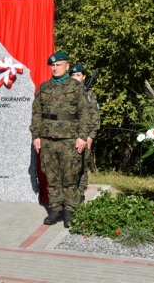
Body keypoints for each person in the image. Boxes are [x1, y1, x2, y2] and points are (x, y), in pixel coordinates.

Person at [30, 51, 91, 227]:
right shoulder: (44, 87)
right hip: (48, 139)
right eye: (53, 65)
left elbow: (85, 113)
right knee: (52, 175)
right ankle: (55, 209)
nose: (55, 68)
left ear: (66, 66)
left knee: (70, 175)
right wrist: (36, 135)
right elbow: (37, 113)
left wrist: (82, 136)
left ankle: (69, 210)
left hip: (69, 139)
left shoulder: (76, 87)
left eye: (59, 65)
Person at [70, 64, 101, 201]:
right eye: (73, 75)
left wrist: (91, 136)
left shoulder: (89, 94)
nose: (75, 78)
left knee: (82, 166)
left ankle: (80, 194)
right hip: (69, 136)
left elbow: (95, 116)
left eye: (78, 75)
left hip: (85, 136)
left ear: (83, 77)